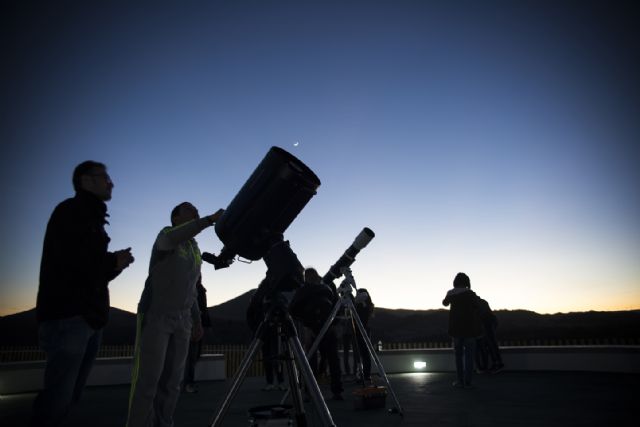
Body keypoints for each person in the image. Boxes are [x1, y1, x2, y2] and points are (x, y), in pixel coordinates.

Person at [31, 161, 135, 427]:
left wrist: (116, 264)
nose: (111, 182)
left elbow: (91, 272)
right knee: (58, 399)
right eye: (105, 177)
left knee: (67, 397)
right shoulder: (71, 212)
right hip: (70, 317)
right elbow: (75, 263)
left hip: (86, 319)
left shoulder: (89, 216)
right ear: (85, 181)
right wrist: (113, 262)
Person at [126, 203, 224, 427]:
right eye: (190, 210)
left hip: (183, 321)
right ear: (176, 217)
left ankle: (164, 422)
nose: (195, 212)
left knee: (172, 382)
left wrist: (197, 320)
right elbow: (169, 240)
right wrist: (208, 220)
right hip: (156, 316)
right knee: (148, 381)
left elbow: (191, 288)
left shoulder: (194, 249)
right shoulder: (166, 235)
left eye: (197, 211)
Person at [289, 268, 343, 400]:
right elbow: (294, 309)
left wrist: (334, 324)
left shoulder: (328, 285)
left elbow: (338, 306)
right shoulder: (303, 289)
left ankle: (337, 391)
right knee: (311, 361)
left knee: (333, 360)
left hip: (328, 328)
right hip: (312, 329)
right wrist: (307, 326)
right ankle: (309, 391)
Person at [442, 272, 482, 389]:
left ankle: (460, 381)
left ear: (455, 281)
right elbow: (477, 307)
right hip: (469, 329)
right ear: (466, 282)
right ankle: (468, 382)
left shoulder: (451, 293)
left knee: (458, 356)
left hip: (455, 329)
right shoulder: (470, 293)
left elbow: (444, 303)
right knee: (469, 356)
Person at [182, 276, 212, 393]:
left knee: (194, 356)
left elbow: (203, 308)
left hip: (198, 325)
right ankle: (188, 383)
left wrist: (206, 324)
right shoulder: (193, 289)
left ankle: (188, 382)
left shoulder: (200, 289)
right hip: (191, 325)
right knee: (191, 356)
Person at [476, 297, 504, 373]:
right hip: (489, 321)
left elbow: (482, 314)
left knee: (490, 343)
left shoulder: (475, 302)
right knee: (489, 343)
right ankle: (496, 364)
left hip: (487, 322)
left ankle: (497, 364)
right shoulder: (480, 301)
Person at [353, 288, 374, 383]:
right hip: (359, 330)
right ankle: (363, 374)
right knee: (362, 354)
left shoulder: (364, 306)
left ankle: (365, 374)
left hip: (362, 330)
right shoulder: (366, 306)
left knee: (364, 353)